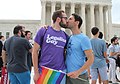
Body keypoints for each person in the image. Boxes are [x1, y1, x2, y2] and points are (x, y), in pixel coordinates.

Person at [32, 10, 68, 84]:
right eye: (65, 18)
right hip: (45, 71)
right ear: (58, 19)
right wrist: (36, 72)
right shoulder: (43, 31)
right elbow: (34, 51)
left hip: (60, 72)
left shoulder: (65, 35)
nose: (66, 21)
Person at [66, 13, 94, 84]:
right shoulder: (70, 38)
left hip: (79, 76)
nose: (67, 21)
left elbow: (91, 59)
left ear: (77, 22)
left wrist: (78, 72)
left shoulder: (84, 38)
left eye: (70, 19)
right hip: (68, 76)